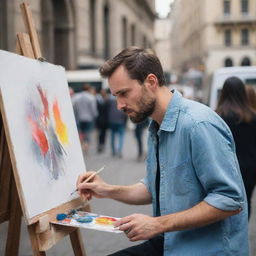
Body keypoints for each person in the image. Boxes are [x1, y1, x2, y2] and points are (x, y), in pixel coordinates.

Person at [76, 47, 248, 255]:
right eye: (115, 96)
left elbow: (230, 200)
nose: (120, 105)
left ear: (151, 82)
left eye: (124, 93)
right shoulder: (157, 125)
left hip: (206, 249)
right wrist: (107, 189)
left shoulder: (198, 124)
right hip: (171, 242)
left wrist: (158, 224)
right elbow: (154, 187)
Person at [216, 77, 256, 219]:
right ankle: (242, 230)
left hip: (226, 168)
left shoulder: (217, 116)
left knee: (225, 203)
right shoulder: (252, 116)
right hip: (249, 167)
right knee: (246, 202)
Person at [73, 84, 98, 151]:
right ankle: (86, 143)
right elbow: (93, 109)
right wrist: (95, 116)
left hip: (79, 117)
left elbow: (74, 108)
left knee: (81, 132)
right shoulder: (91, 97)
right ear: (89, 89)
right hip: (89, 118)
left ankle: (83, 143)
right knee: (88, 132)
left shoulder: (76, 96)